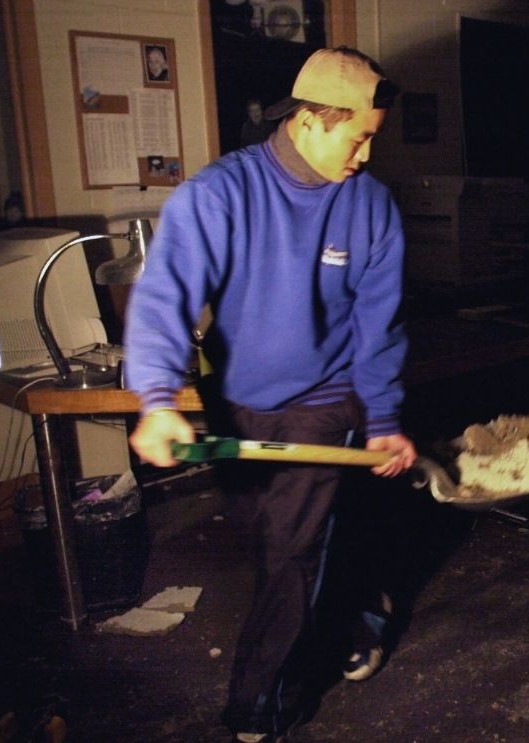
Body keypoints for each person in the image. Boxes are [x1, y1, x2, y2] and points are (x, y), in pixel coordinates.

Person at [124, 47, 416, 743]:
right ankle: (361, 609)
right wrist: (157, 397)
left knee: (288, 554)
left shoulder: (371, 207)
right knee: (280, 546)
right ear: (314, 119)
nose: (366, 155)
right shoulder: (219, 193)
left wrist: (380, 416)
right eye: (360, 136)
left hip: (326, 397)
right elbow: (165, 296)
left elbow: (380, 324)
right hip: (239, 401)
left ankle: (260, 704)